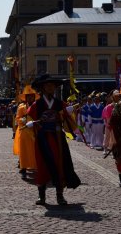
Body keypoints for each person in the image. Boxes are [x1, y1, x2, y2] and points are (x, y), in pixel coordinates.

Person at [27, 74, 81, 206]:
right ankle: (42, 196)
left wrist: (66, 114)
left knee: (60, 164)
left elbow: (68, 118)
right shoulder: (37, 104)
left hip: (57, 138)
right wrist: (34, 123)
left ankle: (60, 196)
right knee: (42, 164)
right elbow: (29, 119)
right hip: (42, 138)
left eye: (52, 86)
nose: (51, 88)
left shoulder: (59, 103)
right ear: (43, 88)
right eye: (48, 86)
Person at [15, 85, 38, 179]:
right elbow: (18, 118)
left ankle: (37, 166)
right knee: (24, 150)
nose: (30, 98)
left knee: (35, 150)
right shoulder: (21, 107)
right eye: (28, 96)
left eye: (31, 96)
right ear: (25, 98)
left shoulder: (37, 106)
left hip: (35, 131)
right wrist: (24, 120)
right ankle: (23, 168)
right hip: (24, 131)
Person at [102, 90, 120, 154]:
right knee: (107, 136)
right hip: (109, 124)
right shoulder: (109, 107)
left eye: (118, 96)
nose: (117, 97)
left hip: (117, 125)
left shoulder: (120, 105)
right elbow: (107, 117)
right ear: (113, 97)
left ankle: (113, 151)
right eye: (116, 96)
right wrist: (109, 124)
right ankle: (105, 149)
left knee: (114, 139)